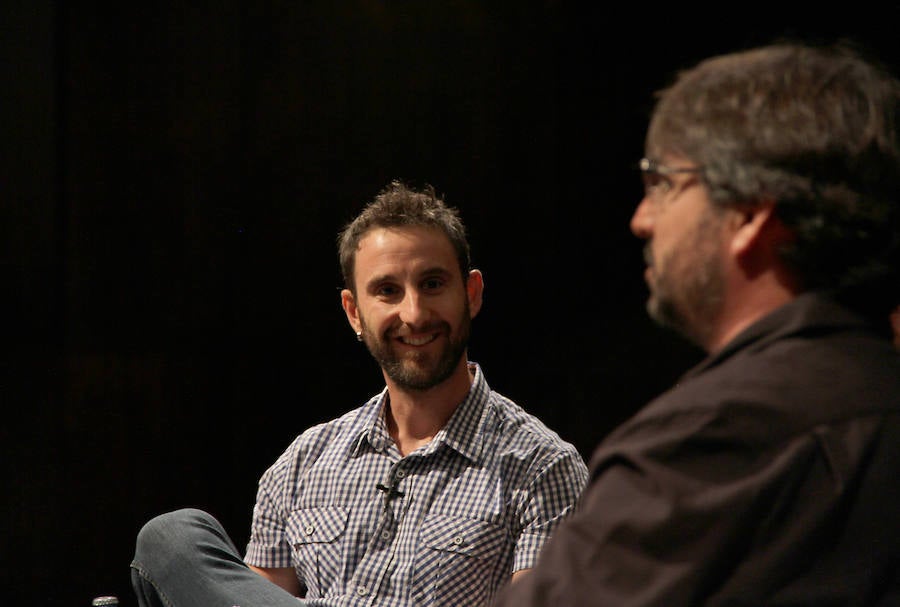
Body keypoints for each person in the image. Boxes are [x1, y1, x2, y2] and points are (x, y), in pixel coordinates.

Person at [496, 42, 900, 606]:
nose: (641, 219)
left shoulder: (722, 437)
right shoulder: (876, 393)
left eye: (662, 182)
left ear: (749, 214)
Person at [130, 182, 588, 607]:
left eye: (432, 284)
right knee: (171, 537)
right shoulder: (303, 462)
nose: (414, 313)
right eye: (388, 291)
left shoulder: (542, 468)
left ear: (471, 293)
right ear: (354, 312)